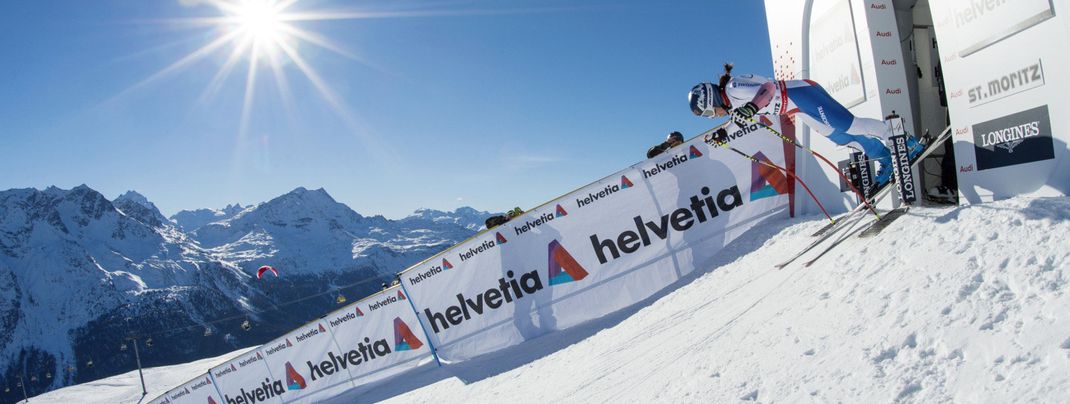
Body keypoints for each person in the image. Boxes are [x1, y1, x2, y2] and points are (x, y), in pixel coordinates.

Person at [688, 64, 923, 188]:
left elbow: (769, 89)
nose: (713, 116)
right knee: (840, 138)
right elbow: (738, 117)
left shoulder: (733, 88)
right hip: (796, 108)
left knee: (851, 125)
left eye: (710, 112)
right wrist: (724, 132)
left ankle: (905, 142)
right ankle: (885, 158)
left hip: (803, 95)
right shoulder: (732, 101)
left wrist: (751, 109)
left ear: (712, 99)